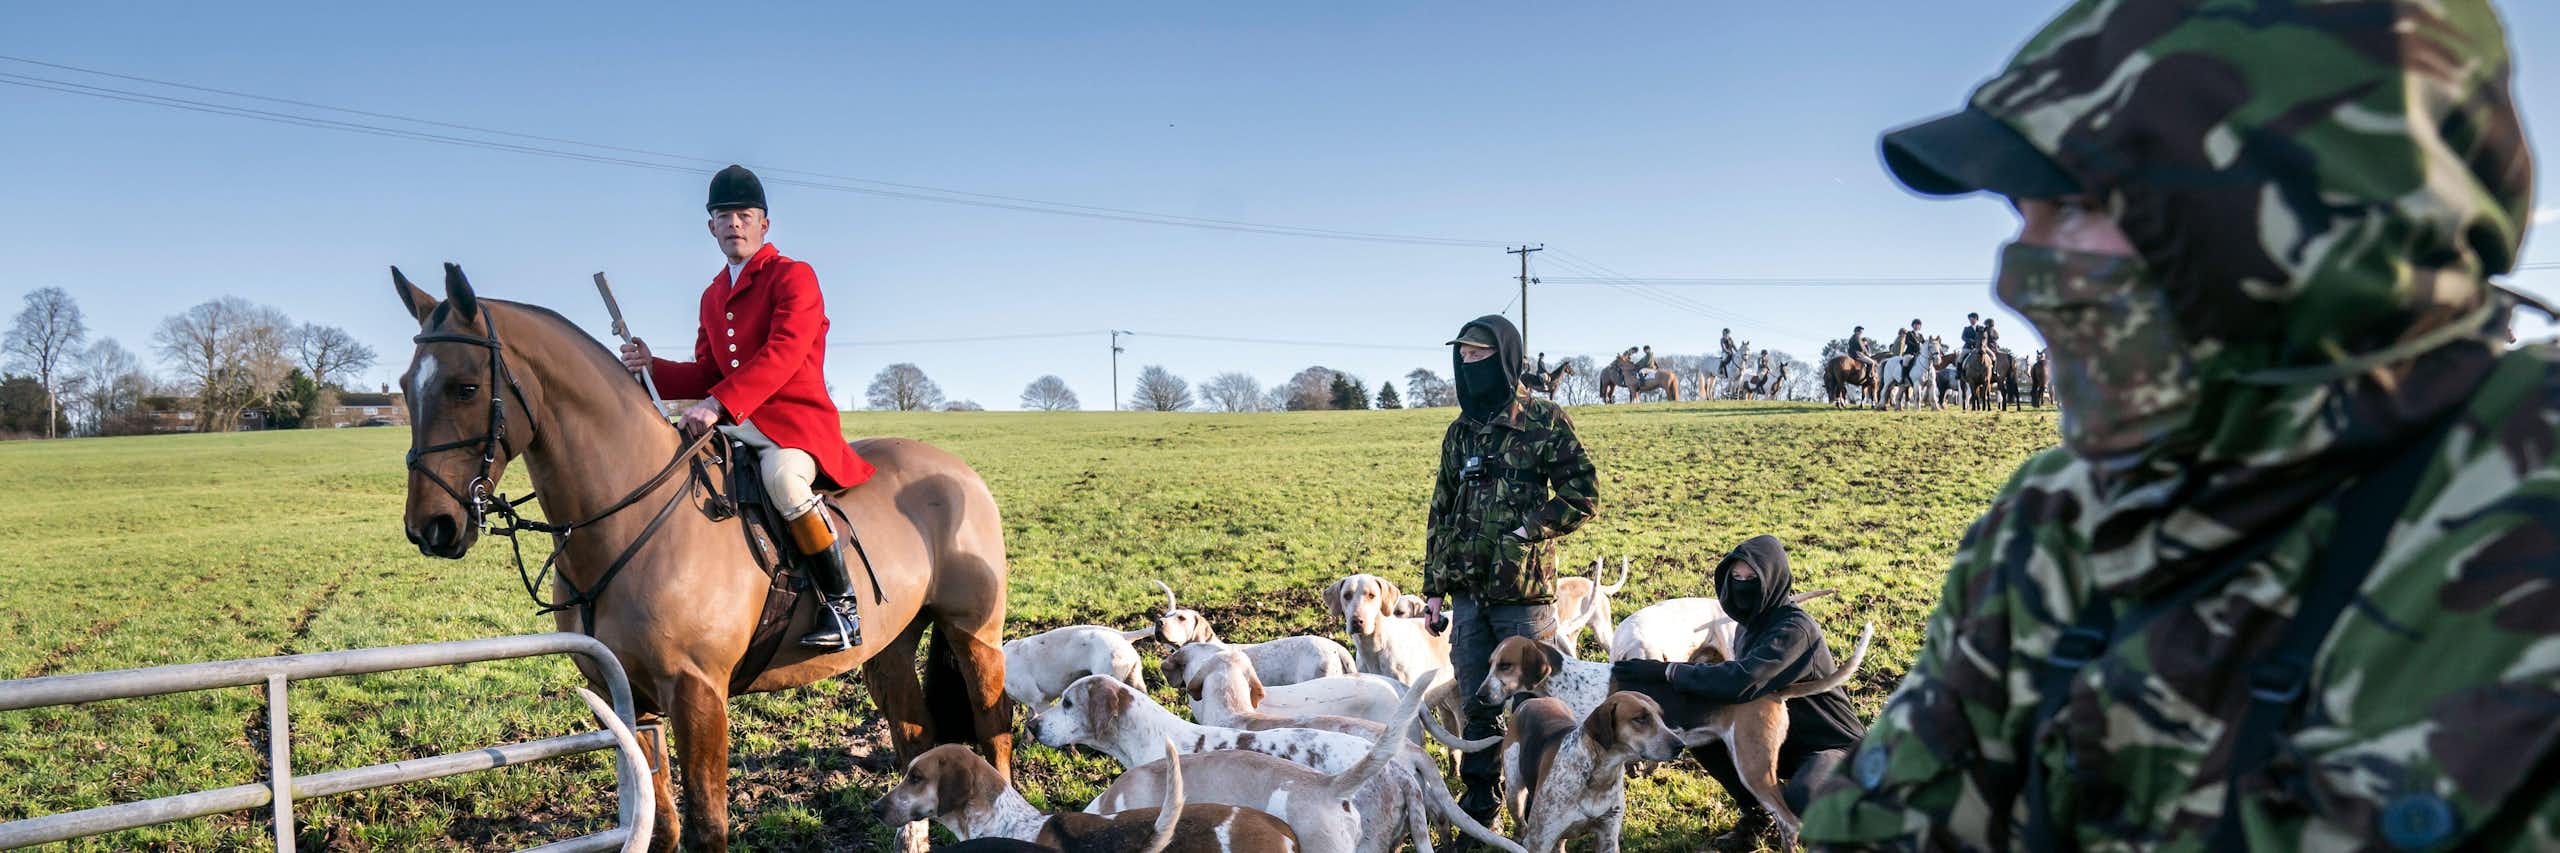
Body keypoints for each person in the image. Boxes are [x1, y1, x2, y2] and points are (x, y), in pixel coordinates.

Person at [1804, 2, 2554, 849]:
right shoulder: (2051, 526)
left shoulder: (2534, 512)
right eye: (2022, 214)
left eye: (2076, 205)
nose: (2015, 278)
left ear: (2293, 213)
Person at [619, 164, 876, 650]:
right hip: (735, 422)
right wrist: (651, 367)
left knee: (782, 480)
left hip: (791, 425)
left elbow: (784, 352)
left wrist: (717, 404)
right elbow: (707, 371)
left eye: (744, 214)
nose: (734, 223)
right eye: (723, 215)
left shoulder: (794, 276)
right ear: (710, 226)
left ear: (764, 224)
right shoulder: (712, 295)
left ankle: (842, 607)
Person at [1423, 314, 1599, 834]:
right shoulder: (1459, 433)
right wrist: (1434, 591)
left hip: (1523, 597)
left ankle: (1552, 806)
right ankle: (1481, 810)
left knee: (1540, 705)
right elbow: (1441, 511)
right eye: (1463, 356)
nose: (1468, 363)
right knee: (1479, 704)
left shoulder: (1544, 420)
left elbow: (1584, 493)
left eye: (1478, 355)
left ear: (1504, 357)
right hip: (1469, 598)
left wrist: (1530, 529)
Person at [1613, 536, 1862, 851]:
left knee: (1803, 800)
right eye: (1736, 578)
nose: (1743, 586)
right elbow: (1727, 689)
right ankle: (1758, 814)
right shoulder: (1748, 626)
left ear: (1773, 578)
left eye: (1752, 578)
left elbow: (1743, 681)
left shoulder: (1793, 629)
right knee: (1698, 731)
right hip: (1773, 737)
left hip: (1827, 746)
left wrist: (1668, 671)